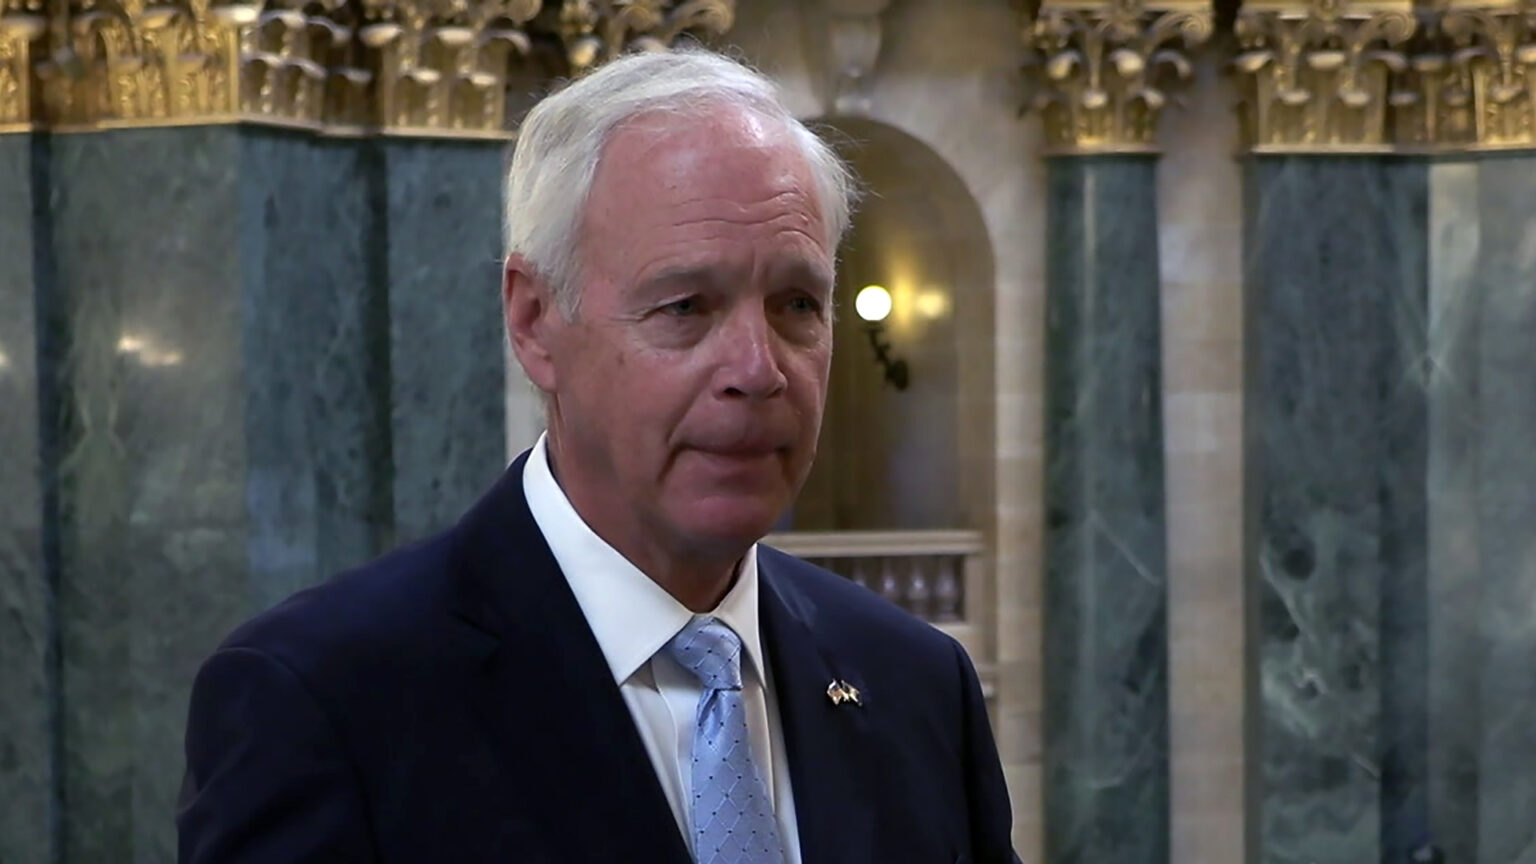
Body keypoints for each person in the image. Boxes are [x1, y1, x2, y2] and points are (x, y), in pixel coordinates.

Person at [177, 48, 1019, 864]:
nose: (759, 371)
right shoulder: (324, 703)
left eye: (798, 304)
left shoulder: (916, 682)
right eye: (687, 306)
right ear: (535, 321)